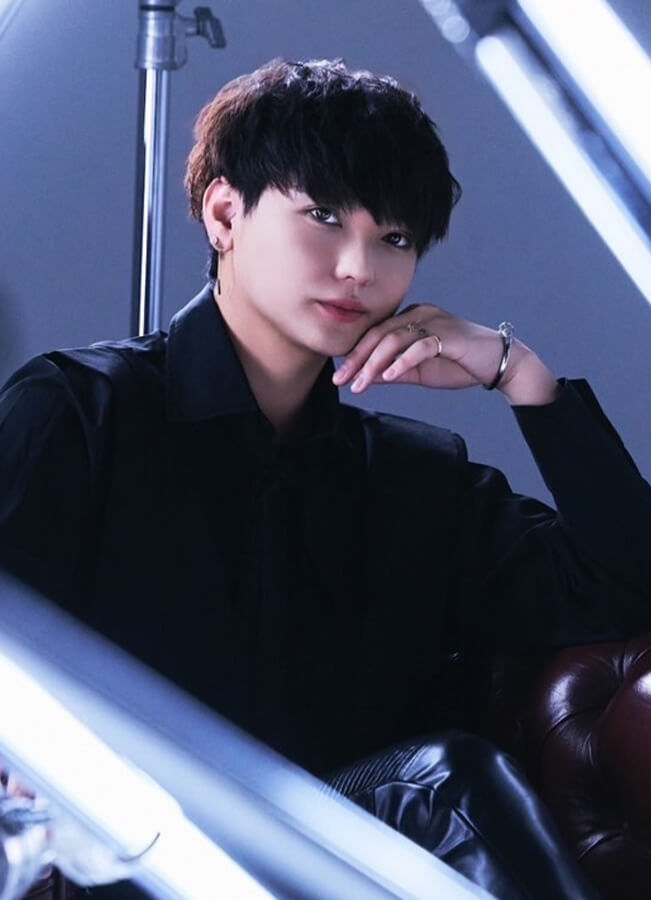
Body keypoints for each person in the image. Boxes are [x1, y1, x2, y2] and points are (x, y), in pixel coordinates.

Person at [1, 57, 650, 899]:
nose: (358, 268)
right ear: (224, 213)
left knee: (432, 784)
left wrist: (519, 376)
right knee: (442, 782)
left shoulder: (412, 478)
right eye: (323, 216)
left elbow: (624, 584)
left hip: (336, 864)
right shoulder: (81, 414)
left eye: (394, 238)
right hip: (124, 855)